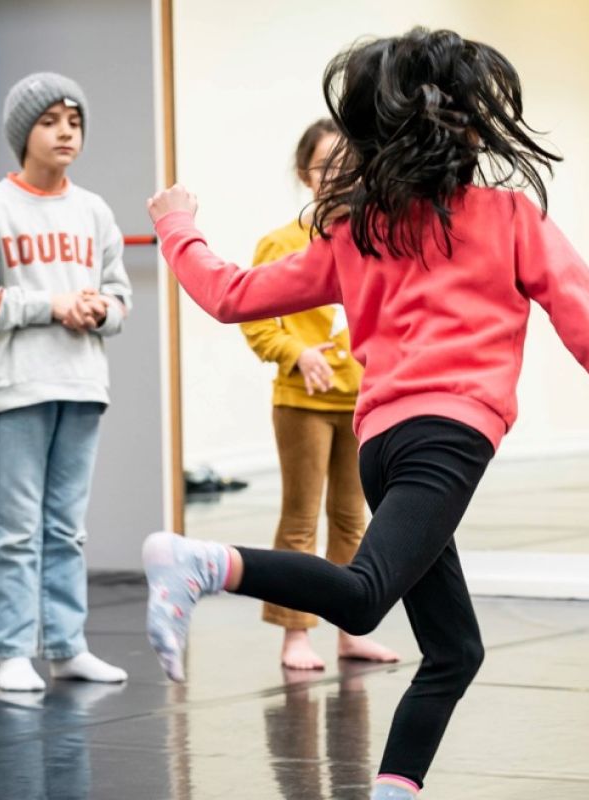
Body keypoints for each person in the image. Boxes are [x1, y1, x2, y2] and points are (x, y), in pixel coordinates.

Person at [141, 28, 589, 799]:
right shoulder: (506, 219)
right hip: (449, 437)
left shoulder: (355, 230)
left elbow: (231, 294)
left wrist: (177, 223)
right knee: (366, 596)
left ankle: (394, 790)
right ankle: (203, 562)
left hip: (382, 443)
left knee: (452, 651)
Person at [0, 72, 133, 691]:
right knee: (16, 526)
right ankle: (10, 649)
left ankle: (66, 645)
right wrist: (52, 305)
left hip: (83, 384)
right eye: (51, 120)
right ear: (22, 133)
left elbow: (119, 294)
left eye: (74, 121)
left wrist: (99, 311)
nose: (65, 132)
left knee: (67, 525)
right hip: (17, 384)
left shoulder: (93, 210)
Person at [239, 118, 398, 670]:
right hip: (301, 404)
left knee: (354, 521)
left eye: (348, 163)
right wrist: (296, 354)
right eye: (325, 164)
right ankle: (294, 635)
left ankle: (350, 631)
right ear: (305, 174)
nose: (338, 174)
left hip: (362, 405)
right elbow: (257, 321)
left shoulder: (376, 239)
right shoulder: (281, 243)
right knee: (301, 520)